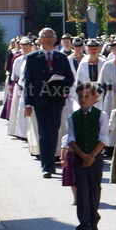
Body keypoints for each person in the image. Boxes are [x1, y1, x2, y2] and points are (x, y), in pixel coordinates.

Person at [22, 28, 75, 179]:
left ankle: (51, 161)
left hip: (57, 100)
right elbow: (28, 82)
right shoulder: (32, 57)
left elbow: (70, 79)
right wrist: (27, 104)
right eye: (45, 36)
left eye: (51, 36)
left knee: (54, 131)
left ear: (55, 39)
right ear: (40, 39)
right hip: (40, 101)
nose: (49, 39)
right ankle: (47, 166)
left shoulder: (61, 57)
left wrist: (61, 85)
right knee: (44, 133)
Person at [67, 82, 108, 230]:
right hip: (79, 157)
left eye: (87, 96)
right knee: (82, 191)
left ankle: (93, 219)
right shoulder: (73, 117)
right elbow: (71, 139)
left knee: (94, 188)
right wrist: (83, 156)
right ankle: (83, 227)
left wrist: (91, 156)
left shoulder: (101, 115)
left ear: (94, 98)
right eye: (80, 96)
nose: (83, 99)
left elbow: (103, 138)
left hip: (95, 157)